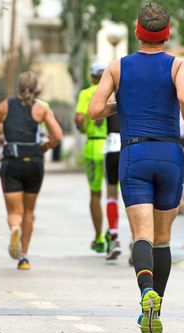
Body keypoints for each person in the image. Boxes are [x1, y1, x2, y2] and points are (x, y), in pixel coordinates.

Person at [88, 3, 184, 333]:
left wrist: (119, 102)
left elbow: (96, 111)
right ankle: (155, 309)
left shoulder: (118, 67)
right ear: (166, 35)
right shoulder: (179, 65)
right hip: (169, 153)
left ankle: (145, 296)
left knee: (142, 234)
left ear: (138, 32)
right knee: (163, 239)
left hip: (134, 153)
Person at [0, 71, 63, 270]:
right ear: (36, 87)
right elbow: (58, 136)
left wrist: (3, 141)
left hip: (12, 162)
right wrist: (44, 147)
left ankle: (15, 228)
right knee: (29, 211)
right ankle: (24, 257)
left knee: (14, 211)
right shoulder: (41, 109)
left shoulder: (4, 106)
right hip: (34, 163)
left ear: (17, 87)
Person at [75, 62, 108, 253]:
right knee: (115, 195)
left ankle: (99, 237)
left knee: (95, 195)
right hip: (115, 147)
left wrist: (83, 128)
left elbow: (79, 119)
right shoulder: (114, 93)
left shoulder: (86, 93)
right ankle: (115, 235)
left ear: (92, 77)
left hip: (94, 145)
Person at [103, 112, 122, 260]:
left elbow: (96, 117)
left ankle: (114, 238)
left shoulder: (110, 92)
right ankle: (136, 240)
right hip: (132, 144)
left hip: (112, 146)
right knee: (135, 195)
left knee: (111, 192)